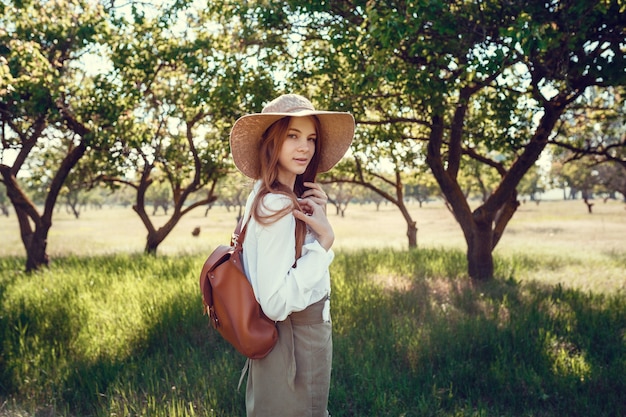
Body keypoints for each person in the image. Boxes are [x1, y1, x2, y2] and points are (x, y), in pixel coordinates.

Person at [229, 93, 355, 417]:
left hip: (289, 342)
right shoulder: (278, 204)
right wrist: (324, 243)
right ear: (272, 142)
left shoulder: (270, 194)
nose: (305, 147)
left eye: (311, 138)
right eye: (293, 136)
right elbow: (275, 302)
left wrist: (318, 217)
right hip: (296, 342)